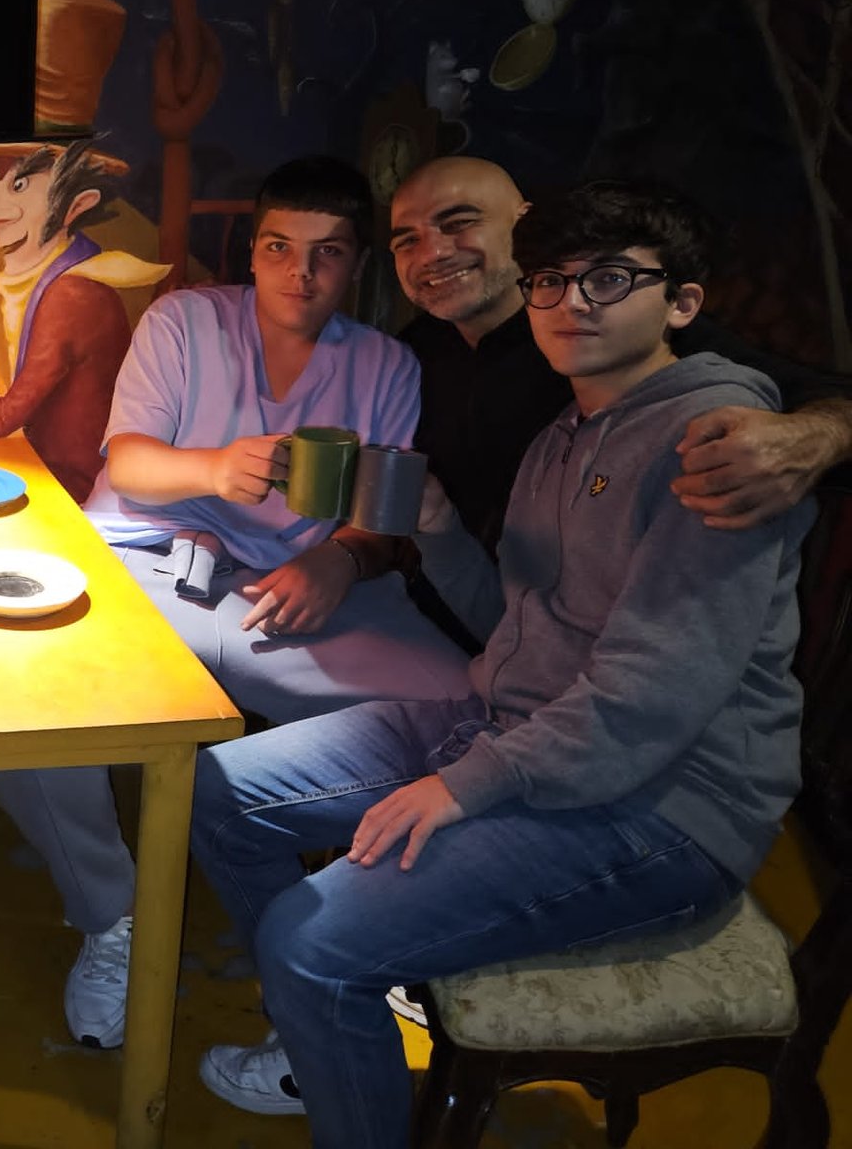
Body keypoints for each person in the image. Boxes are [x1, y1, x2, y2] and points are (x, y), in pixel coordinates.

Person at [193, 182, 808, 1148]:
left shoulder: (711, 444)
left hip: (666, 810)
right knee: (213, 789)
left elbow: (653, 696)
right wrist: (435, 532)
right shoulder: (564, 437)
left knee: (308, 941)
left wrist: (463, 787)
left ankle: (332, 993)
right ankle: (338, 1020)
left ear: (681, 304)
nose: (575, 305)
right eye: (554, 283)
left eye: (611, 280)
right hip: (521, 725)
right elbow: (512, 624)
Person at [0, 156, 472, 1050]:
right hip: (147, 566)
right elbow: (128, 461)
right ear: (252, 252)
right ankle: (111, 921)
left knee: (465, 708)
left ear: (358, 264)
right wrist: (213, 468)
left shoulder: (386, 364)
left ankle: (368, 928)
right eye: (281, 247)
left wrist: (340, 560)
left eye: (329, 253)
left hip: (291, 598)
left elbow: (384, 516)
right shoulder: (185, 321)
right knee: (28, 708)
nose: (302, 273)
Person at [389, 156, 852, 551]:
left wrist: (815, 436)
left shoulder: (619, 331)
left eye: (459, 223)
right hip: (472, 615)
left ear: (523, 222)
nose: (431, 252)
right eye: (406, 239)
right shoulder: (410, 350)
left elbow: (822, 398)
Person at [0, 138, 169, 501]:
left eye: (21, 185)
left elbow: (1, 419)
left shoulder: (70, 299)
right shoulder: (58, 278)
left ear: (74, 208)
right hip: (53, 466)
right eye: (7, 180)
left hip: (75, 488)